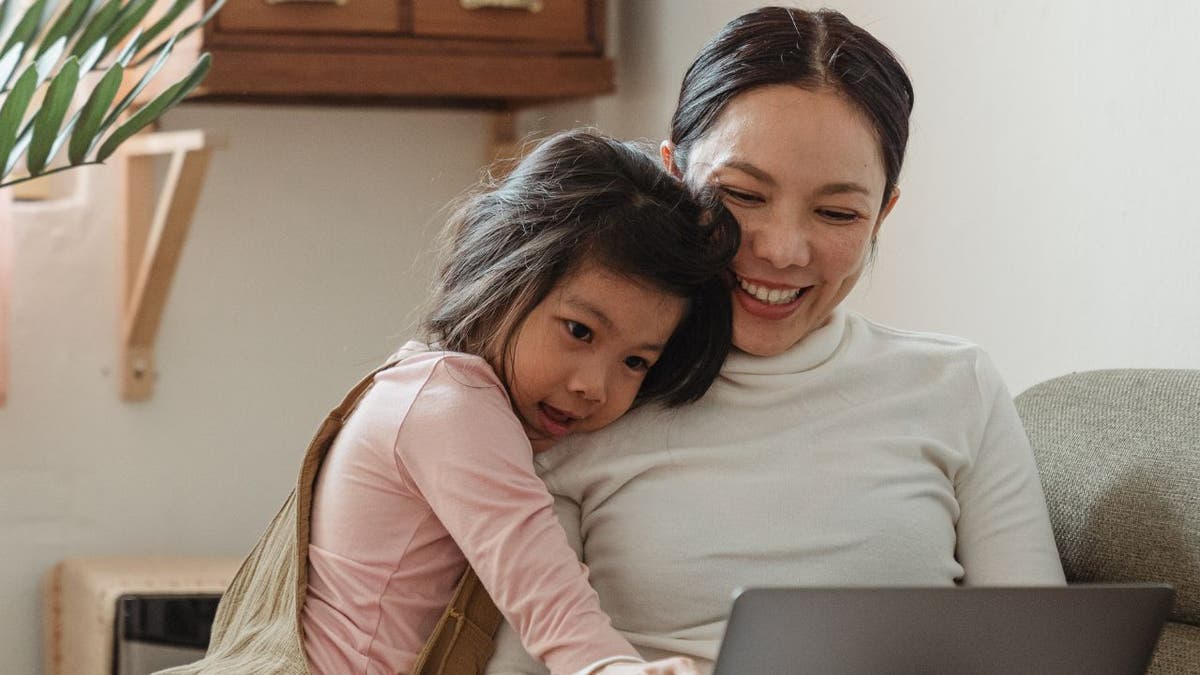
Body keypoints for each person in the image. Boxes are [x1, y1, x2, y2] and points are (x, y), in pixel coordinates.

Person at [485, 8, 1066, 674]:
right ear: (672, 177)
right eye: (740, 194)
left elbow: (1041, 655)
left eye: (838, 212)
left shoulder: (957, 386)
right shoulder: (588, 393)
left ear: (882, 215)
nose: (782, 250)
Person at [158, 130, 738, 675]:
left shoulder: (419, 384)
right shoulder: (453, 406)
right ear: (504, 275)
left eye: (636, 361)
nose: (595, 384)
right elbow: (547, 599)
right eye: (580, 331)